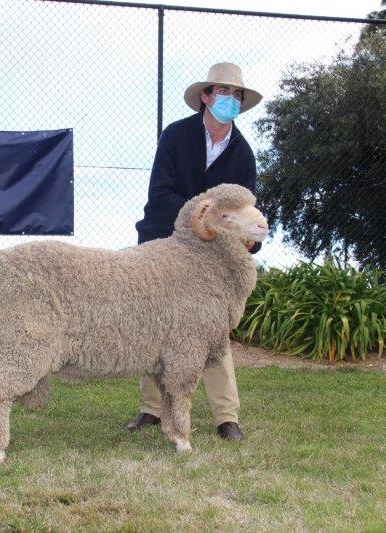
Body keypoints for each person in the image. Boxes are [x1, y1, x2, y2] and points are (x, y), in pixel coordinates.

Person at [129, 62, 263, 442]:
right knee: (157, 323)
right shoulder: (176, 136)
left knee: (213, 328)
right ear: (205, 96)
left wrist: (246, 236)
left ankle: (226, 416)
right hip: (163, 242)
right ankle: (152, 410)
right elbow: (161, 193)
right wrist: (201, 217)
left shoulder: (243, 153)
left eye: (237, 94)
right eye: (223, 92)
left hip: (214, 258)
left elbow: (244, 208)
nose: (230, 100)